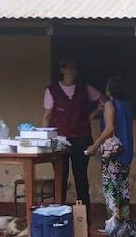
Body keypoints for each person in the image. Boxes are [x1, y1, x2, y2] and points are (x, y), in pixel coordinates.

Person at [42, 60, 106, 208]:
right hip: (60, 140)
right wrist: (45, 140)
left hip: (82, 138)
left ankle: (84, 214)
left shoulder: (85, 88)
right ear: (62, 70)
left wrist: (92, 115)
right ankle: (58, 211)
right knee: (60, 177)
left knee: (81, 177)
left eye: (74, 68)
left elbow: (104, 102)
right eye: (69, 68)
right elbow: (47, 116)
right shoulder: (52, 90)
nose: (72, 71)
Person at [85, 77, 134, 233]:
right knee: (123, 188)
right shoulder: (127, 106)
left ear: (109, 89)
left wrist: (94, 146)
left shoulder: (110, 104)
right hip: (126, 152)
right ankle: (124, 223)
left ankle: (113, 225)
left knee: (111, 189)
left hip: (113, 154)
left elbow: (110, 128)